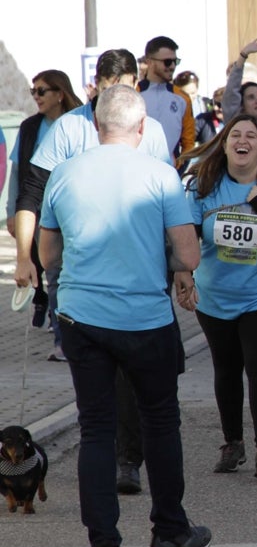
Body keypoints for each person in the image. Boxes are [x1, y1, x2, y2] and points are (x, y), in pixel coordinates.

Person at [39, 85, 210, 547]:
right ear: (141, 129)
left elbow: (48, 255)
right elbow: (189, 254)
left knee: (96, 428)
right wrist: (165, 261)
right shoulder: (160, 174)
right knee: (159, 420)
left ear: (95, 126)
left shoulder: (65, 173)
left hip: (80, 316)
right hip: (145, 320)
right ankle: (169, 532)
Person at [14, 48, 173, 496]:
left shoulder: (151, 130)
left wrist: (176, 267)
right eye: (109, 90)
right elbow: (32, 193)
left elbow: (168, 201)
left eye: (125, 90)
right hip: (75, 271)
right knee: (97, 385)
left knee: (128, 379)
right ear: (96, 87)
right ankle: (111, 460)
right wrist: (26, 257)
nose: (115, 100)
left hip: (138, 273)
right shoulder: (68, 128)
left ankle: (127, 459)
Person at [178, 114, 257, 479]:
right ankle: (232, 442)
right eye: (235, 134)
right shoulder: (202, 186)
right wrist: (182, 272)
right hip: (216, 295)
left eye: (252, 135)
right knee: (227, 368)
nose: (243, 140)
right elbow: (186, 232)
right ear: (225, 143)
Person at [7, 70, 83, 358]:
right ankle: (62, 339)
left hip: (74, 210)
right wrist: (13, 210)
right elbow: (18, 174)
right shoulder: (30, 127)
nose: (36, 96)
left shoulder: (78, 123)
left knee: (72, 273)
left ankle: (79, 332)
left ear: (60, 93)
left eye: (42, 91)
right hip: (40, 211)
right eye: (33, 91)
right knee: (52, 272)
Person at [137, 35, 196, 164]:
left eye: (176, 61)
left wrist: (179, 169)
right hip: (139, 172)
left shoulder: (182, 99)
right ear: (150, 61)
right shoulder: (134, 94)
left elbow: (188, 142)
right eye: (167, 62)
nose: (173, 66)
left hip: (170, 174)